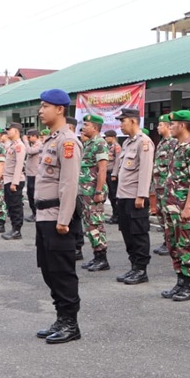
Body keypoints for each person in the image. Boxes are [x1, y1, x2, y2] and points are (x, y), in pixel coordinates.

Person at [32, 90, 84, 344]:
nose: (40, 111)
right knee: (49, 271)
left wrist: (64, 220)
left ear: (60, 109)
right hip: (44, 216)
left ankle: (71, 323)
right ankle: (61, 318)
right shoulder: (50, 140)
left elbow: (69, 183)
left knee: (62, 272)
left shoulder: (67, 142)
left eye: (45, 106)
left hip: (57, 218)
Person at [161, 110, 190, 302]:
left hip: (182, 206)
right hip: (170, 205)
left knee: (187, 244)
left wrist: (188, 207)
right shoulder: (175, 147)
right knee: (173, 244)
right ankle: (180, 281)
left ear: (183, 125)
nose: (170, 127)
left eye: (173, 124)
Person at [115, 107, 155, 285]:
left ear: (133, 121)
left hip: (135, 197)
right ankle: (133, 266)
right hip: (124, 196)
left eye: (123, 121)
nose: (121, 125)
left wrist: (142, 196)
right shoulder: (127, 143)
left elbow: (146, 170)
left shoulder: (144, 142)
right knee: (127, 233)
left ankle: (141, 269)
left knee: (138, 234)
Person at [79, 115, 110, 271]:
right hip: (86, 191)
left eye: (87, 125)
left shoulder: (100, 143)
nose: (83, 127)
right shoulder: (89, 143)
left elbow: (102, 169)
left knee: (96, 224)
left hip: (93, 192)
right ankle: (96, 255)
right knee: (89, 224)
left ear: (95, 128)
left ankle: (102, 258)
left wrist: (98, 191)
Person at [151, 113, 177, 256]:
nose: (157, 127)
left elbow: (172, 166)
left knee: (168, 216)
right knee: (161, 215)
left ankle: (172, 243)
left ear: (167, 126)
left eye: (160, 125)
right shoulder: (162, 143)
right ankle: (167, 240)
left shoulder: (173, 143)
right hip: (159, 186)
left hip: (167, 187)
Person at [1, 123, 27, 240]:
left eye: (9, 130)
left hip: (14, 180)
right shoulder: (12, 145)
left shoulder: (19, 146)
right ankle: (13, 228)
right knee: (10, 206)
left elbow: (19, 165)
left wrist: (15, 182)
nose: (7, 132)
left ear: (16, 131)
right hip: (8, 179)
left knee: (16, 206)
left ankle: (17, 230)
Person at [25, 129, 42, 223]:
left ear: (35, 136)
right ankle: (34, 213)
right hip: (30, 173)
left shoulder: (40, 144)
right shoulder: (33, 144)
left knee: (34, 195)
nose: (28, 139)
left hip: (35, 174)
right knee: (30, 194)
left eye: (29, 137)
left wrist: (25, 142)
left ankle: (37, 213)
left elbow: (30, 151)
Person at [104, 130, 121, 223]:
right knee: (110, 195)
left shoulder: (116, 147)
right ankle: (114, 215)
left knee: (114, 196)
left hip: (112, 174)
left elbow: (117, 161)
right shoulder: (108, 147)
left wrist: (114, 174)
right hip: (107, 173)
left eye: (107, 137)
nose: (106, 138)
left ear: (113, 137)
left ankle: (117, 216)